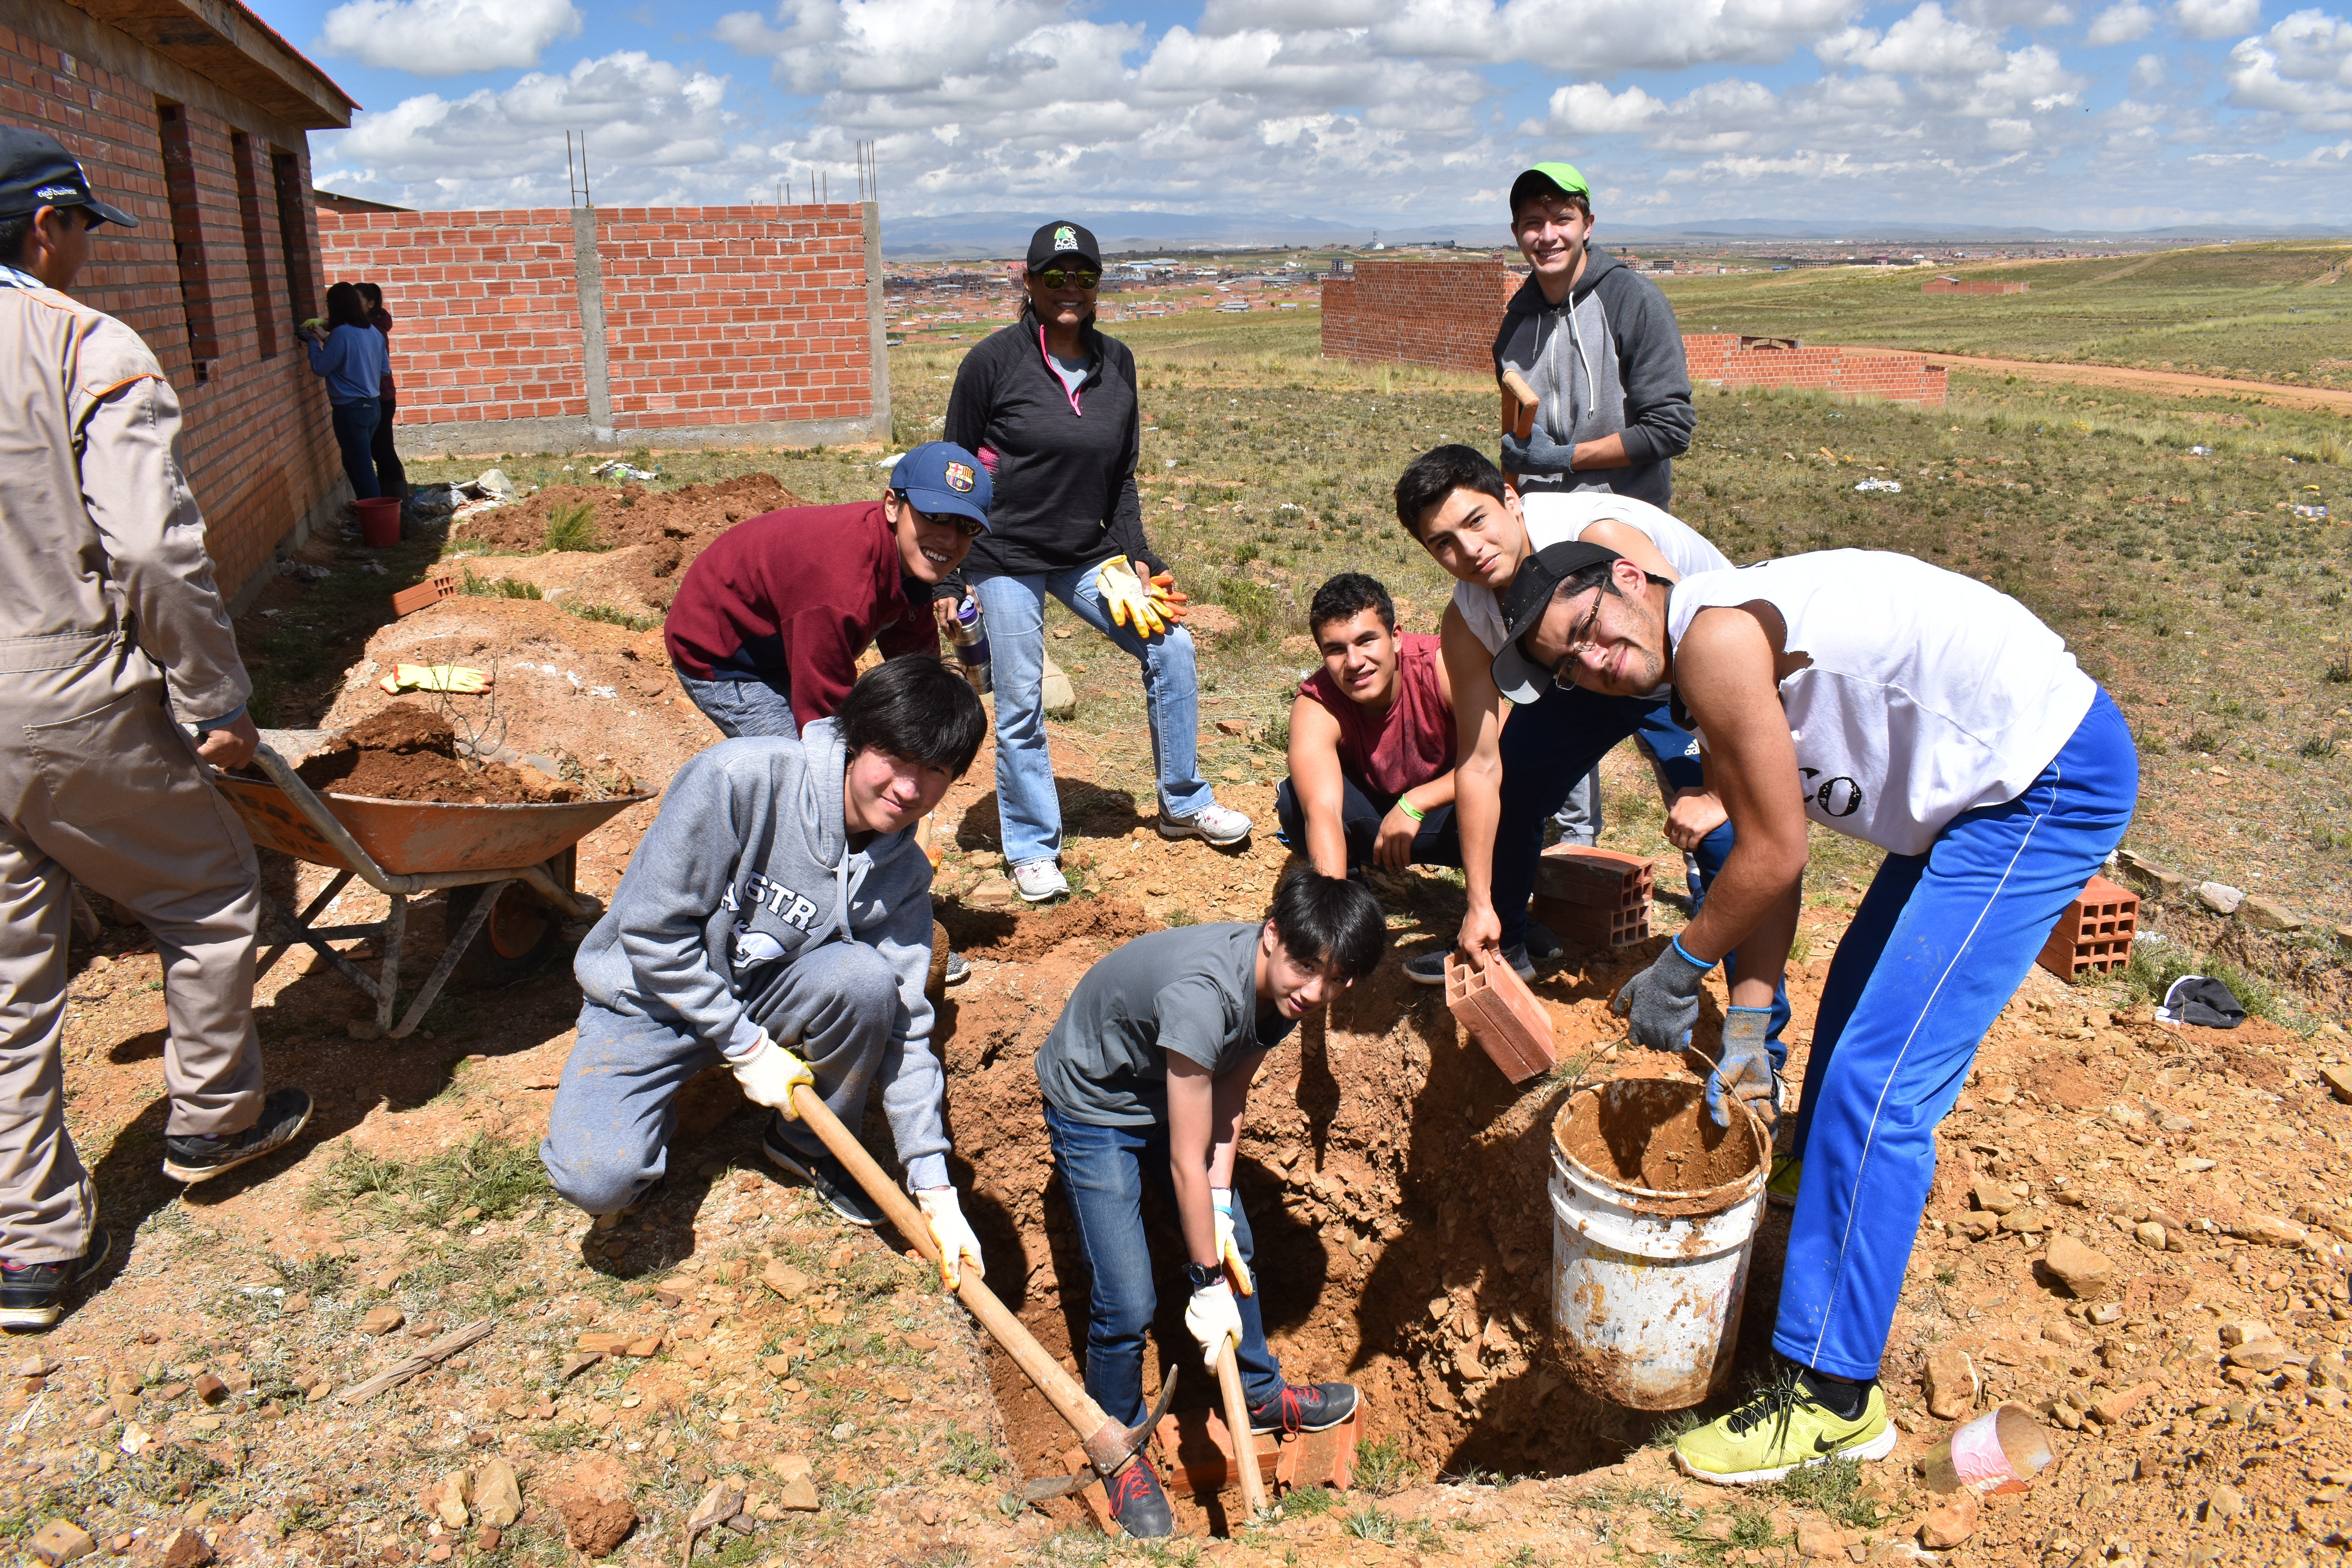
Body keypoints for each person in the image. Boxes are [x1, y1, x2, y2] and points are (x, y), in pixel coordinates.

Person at [1507, 543, 2136, 1483]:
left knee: (1879, 1086)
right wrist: (1753, 1035)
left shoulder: (1714, 639)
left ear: (1631, 578)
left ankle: (1833, 1397)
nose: (1593, 662)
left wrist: (1683, 965)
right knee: (1849, 1008)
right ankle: (1816, 1194)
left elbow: (1773, 855)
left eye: (1590, 630)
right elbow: (1773, 856)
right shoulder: (1702, 663)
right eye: (1568, 664)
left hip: (2037, 783)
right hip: (1974, 794)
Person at [0, 125, 313, 1330]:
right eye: (82, 227)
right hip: (58, 689)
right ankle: (214, 1117)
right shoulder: (80, 344)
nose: (85, 250)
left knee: (12, 971)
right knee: (209, 886)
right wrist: (214, 700)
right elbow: (147, 547)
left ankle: (30, 1246)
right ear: (45, 225)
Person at [542, 658, 992, 1295]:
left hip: (766, 995)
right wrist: (745, 1046)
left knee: (867, 982)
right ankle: (652, 1113)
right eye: (896, 758)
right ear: (856, 737)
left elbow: (908, 1029)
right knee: (598, 1182)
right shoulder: (740, 779)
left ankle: (804, 1144)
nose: (909, 789)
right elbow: (649, 932)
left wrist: (933, 1184)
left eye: (936, 773)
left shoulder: (902, 875)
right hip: (651, 998)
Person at [1391, 446, 1791, 1082]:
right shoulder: (1469, 620)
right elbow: (1480, 765)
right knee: (1517, 786)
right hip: (1584, 676)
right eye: (1443, 544)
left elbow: (1696, 642)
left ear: (1512, 501)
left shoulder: (1597, 537)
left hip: (1687, 671)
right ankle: (1508, 941)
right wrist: (1477, 903)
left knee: (1730, 838)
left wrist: (1715, 791)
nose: (1468, 552)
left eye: (1476, 522)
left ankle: (1756, 1047)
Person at [1033, 867, 1384, 1537]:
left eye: (1337, 980)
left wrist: (1220, 1208)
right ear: (1272, 935)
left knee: (1237, 1246)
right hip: (1098, 1102)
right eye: (1306, 969)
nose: (1317, 992)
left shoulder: (1286, 994)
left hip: (1173, 1088)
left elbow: (1229, 1095)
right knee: (1127, 1299)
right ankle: (1119, 1446)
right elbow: (1184, 1160)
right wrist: (1202, 1281)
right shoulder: (1205, 998)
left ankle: (1258, 1396)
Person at [945, 219, 1247, 904]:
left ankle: (1182, 801)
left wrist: (1138, 554)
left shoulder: (1119, 364)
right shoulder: (991, 364)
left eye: (1083, 275)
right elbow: (955, 470)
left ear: (1099, 285)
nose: (1069, 288)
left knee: (1171, 647)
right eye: (1054, 277)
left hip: (1088, 552)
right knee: (1022, 699)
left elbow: (1123, 476)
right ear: (1029, 284)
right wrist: (949, 575)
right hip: (1004, 557)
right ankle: (1031, 848)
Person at [1493, 162, 1696, 848]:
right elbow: (1515, 432)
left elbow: (1671, 428)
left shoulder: (1632, 301)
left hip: (1624, 549)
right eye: (1531, 222)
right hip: (1549, 553)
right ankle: (1572, 853)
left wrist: (1567, 459)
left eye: (1560, 219)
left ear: (1587, 223)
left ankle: (1711, 864)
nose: (1546, 235)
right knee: (1561, 692)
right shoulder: (1515, 325)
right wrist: (1514, 483)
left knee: (1663, 704)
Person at [663, 442, 988, 741]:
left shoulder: (908, 554)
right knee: (797, 769)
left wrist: (930, 702)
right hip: (724, 653)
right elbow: (821, 715)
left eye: (967, 526)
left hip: (789, 638)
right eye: (935, 516)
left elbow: (912, 645)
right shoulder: (842, 587)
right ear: (892, 505)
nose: (949, 538)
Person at [1276, 573, 1461, 877]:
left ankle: (1504, 909)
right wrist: (1332, 904)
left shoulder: (1441, 666)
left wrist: (1416, 803)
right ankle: (1348, 901)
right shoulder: (1317, 703)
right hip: (1373, 824)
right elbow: (1324, 812)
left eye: (1366, 641)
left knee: (1513, 792)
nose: (1353, 662)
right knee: (1296, 803)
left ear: (1396, 637)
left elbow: (1506, 751)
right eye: (1336, 649)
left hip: (1449, 816)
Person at [301, 281, 389, 504]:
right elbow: (383, 369)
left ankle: (379, 524)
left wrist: (313, 343)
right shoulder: (374, 332)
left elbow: (320, 368)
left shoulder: (341, 334)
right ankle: (368, 515)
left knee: (361, 469)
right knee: (353, 463)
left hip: (351, 410)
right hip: (373, 408)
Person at [354, 282, 407, 504]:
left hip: (381, 398)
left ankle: (398, 504)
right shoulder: (369, 325)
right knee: (381, 451)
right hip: (381, 396)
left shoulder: (374, 330)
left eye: (356, 300)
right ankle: (392, 501)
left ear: (371, 303)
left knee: (383, 452)